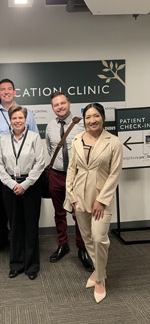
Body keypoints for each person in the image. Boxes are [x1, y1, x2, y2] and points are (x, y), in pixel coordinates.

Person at [65, 103, 122, 303]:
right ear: (84, 120)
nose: (92, 120)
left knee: (99, 239)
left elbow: (114, 174)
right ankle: (99, 270)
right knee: (88, 238)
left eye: (96, 116)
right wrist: (70, 196)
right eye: (88, 117)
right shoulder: (77, 139)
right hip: (79, 195)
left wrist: (102, 200)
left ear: (103, 117)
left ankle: (99, 279)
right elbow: (71, 169)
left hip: (101, 198)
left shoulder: (113, 142)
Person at [0, 78, 38, 254]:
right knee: (0, 204)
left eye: (9, 89)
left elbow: (35, 137)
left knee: (22, 204)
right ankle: (1, 239)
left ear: (15, 92)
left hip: (23, 164)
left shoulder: (26, 113)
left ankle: (21, 240)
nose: (6, 92)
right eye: (2, 90)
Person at [45, 91, 94, 271]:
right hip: (56, 175)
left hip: (78, 177)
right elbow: (50, 149)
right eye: (56, 105)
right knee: (59, 213)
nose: (60, 107)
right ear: (52, 108)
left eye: (63, 103)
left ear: (69, 103)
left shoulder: (83, 124)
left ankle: (82, 249)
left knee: (79, 214)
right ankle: (63, 245)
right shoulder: (49, 126)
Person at [0, 105, 45, 280]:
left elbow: (40, 163)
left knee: (31, 226)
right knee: (15, 226)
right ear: (10, 120)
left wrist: (25, 184)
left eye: (20, 118)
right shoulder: (3, 140)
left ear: (26, 120)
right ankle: (16, 264)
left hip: (30, 187)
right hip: (10, 187)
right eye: (14, 118)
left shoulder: (34, 138)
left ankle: (32, 266)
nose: (17, 121)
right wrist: (11, 184)